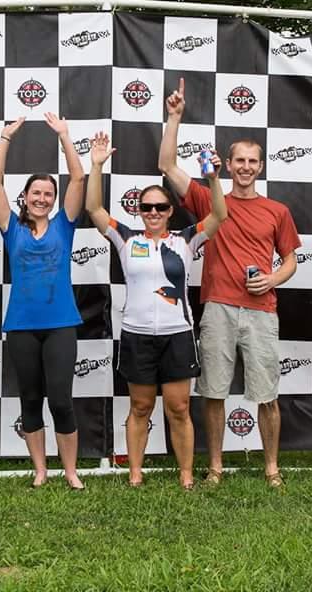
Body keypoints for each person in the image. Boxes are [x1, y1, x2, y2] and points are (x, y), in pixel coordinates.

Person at [158, 79, 300, 488]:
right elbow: (167, 165)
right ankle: (216, 467)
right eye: (239, 161)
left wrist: (273, 278)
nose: (246, 167)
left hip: (261, 310)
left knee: (267, 394)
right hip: (218, 305)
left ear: (260, 166)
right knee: (214, 392)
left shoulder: (277, 210)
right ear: (228, 163)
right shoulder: (208, 198)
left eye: (253, 162)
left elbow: (290, 260)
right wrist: (174, 117)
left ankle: (271, 467)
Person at [88, 132, 227, 489]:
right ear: (138, 211)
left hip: (177, 335)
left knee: (179, 409)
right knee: (140, 407)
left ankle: (185, 474)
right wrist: (96, 165)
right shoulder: (126, 238)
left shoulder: (185, 240)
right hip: (136, 336)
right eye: (145, 207)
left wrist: (212, 178)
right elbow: (93, 210)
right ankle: (135, 474)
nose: (152, 213)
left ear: (170, 212)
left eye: (160, 208)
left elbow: (219, 215)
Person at [0, 112, 86, 490]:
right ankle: (41, 470)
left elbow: (78, 178)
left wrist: (64, 135)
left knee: (61, 399)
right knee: (30, 399)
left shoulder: (65, 224)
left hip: (61, 323)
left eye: (48, 194)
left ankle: (71, 471)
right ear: (25, 198)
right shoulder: (11, 228)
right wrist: (6, 139)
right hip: (22, 326)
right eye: (36, 193)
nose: (42, 198)